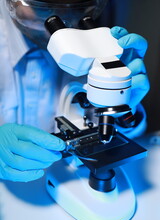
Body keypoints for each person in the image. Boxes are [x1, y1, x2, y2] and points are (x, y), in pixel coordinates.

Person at [0, 0, 149, 182]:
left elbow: (117, 137)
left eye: (78, 5)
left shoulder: (97, 40)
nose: (65, 16)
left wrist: (125, 112)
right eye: (44, 6)